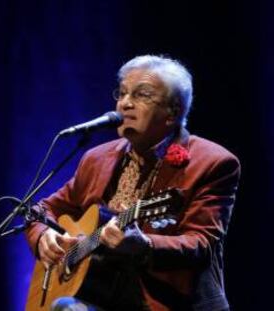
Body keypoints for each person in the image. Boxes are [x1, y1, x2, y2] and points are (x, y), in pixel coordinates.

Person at [25, 55, 240, 311]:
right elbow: (40, 210)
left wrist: (144, 245)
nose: (125, 103)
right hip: (100, 296)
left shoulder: (213, 162)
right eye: (123, 93)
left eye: (142, 95)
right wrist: (42, 236)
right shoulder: (97, 158)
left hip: (168, 302)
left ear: (173, 111)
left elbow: (200, 243)